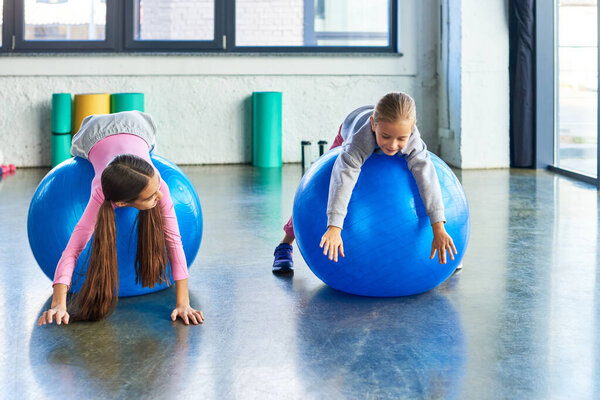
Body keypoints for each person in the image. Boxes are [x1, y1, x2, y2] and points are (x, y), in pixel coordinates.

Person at [37, 111, 204, 325]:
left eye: (157, 189)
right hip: (94, 131)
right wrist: (59, 304)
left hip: (136, 124)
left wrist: (183, 303)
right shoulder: (99, 191)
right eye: (151, 196)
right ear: (122, 204)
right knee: (76, 147)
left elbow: (174, 239)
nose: (160, 196)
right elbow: (73, 249)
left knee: (149, 140)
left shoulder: (159, 183)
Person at [273, 92, 458, 274]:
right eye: (386, 136)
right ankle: (285, 244)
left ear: (411, 131)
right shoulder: (357, 142)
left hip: (386, 128)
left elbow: (427, 179)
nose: (393, 145)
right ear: (373, 125)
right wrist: (334, 227)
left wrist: (439, 228)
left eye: (401, 138)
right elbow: (342, 179)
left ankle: (446, 246)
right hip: (350, 131)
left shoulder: (413, 142)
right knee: (319, 188)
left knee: (421, 173)